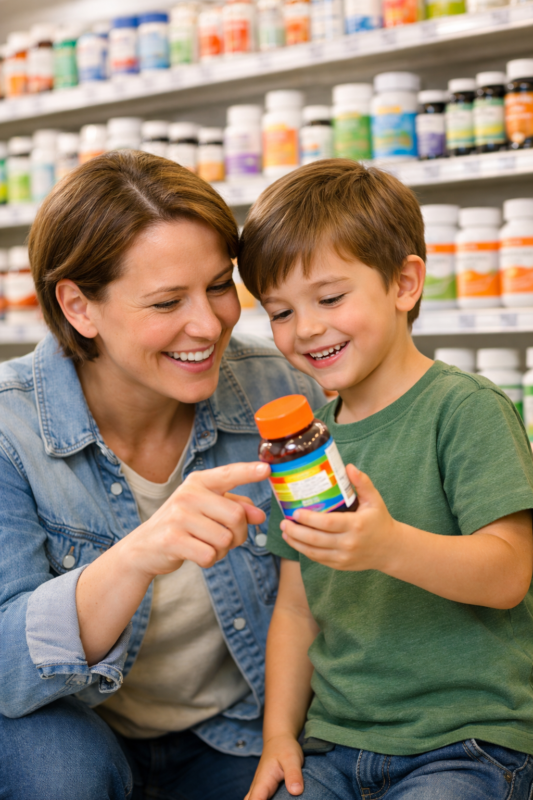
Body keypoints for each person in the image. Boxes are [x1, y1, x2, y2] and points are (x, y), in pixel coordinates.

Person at [0, 151, 324, 800]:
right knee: (59, 776)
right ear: (78, 307)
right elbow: (5, 665)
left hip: (230, 730)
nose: (207, 324)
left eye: (218, 285)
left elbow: (324, 591)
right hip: (73, 727)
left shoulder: (277, 392)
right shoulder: (12, 430)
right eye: (166, 301)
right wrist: (135, 558)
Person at [237, 159, 533, 800]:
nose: (306, 328)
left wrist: (389, 546)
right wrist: (279, 735)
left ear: (404, 283)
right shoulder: (304, 442)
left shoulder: (466, 409)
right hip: (334, 743)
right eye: (279, 311)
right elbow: (295, 606)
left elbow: (509, 575)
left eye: (331, 297)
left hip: (466, 743)